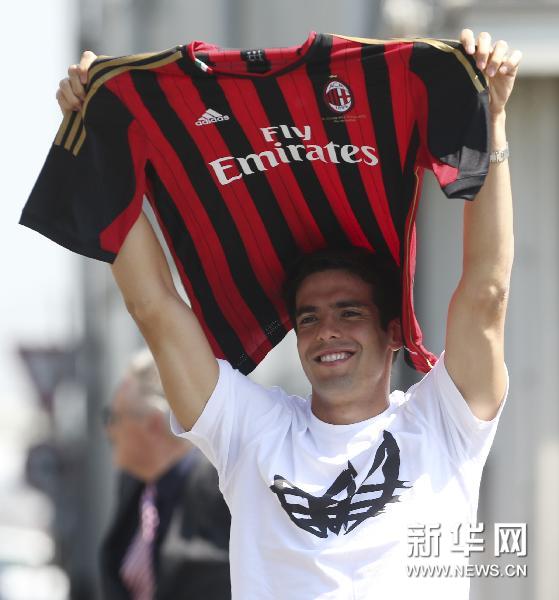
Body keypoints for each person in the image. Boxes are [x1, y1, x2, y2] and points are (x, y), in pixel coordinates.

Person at [56, 28, 519, 599]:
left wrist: (491, 120)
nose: (326, 330)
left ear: (394, 329)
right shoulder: (252, 431)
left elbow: (487, 292)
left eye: (349, 313)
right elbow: (153, 306)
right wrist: (99, 139)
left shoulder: (444, 423)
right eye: (307, 318)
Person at [100, 349, 231, 600]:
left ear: (153, 425)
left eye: (114, 417)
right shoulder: (134, 488)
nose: (109, 429)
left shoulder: (222, 487)